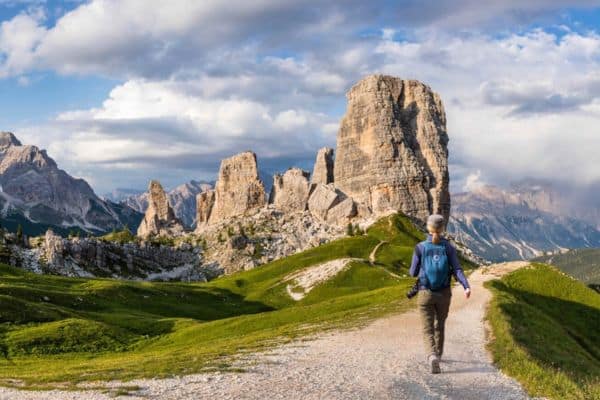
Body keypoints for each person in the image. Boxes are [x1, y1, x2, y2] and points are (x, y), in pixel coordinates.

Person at [409, 214, 470, 374]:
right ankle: (439, 355)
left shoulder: (420, 247)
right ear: (442, 229)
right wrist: (466, 286)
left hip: (425, 292)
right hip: (444, 293)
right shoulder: (448, 247)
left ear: (428, 228)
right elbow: (457, 269)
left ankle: (432, 356)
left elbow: (413, 273)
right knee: (440, 325)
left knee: (427, 327)